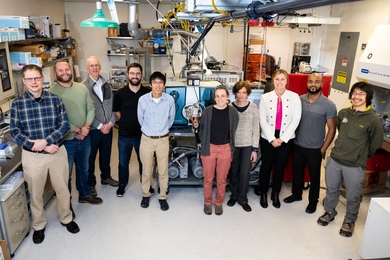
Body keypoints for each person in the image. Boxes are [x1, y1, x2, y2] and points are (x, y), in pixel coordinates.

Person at [10, 64, 79, 244]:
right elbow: (15, 132)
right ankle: (39, 225)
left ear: (43, 79)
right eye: (30, 79)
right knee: (35, 193)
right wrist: (39, 146)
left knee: (62, 189)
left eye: (37, 78)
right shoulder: (18, 104)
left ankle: (66, 218)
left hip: (56, 152)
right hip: (33, 157)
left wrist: (47, 142)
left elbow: (64, 125)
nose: (34, 82)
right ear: (24, 81)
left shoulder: (55, 100)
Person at [317, 81, 383, 237]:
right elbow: (340, 131)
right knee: (331, 189)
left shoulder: (373, 120)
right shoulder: (344, 113)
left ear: (368, 97)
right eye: (354, 93)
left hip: (354, 165)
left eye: (361, 94)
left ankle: (349, 221)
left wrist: (360, 155)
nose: (356, 96)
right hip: (335, 159)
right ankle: (329, 212)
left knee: (353, 195)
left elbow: (376, 143)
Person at [49, 60, 103, 210]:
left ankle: (85, 194)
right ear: (55, 74)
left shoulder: (82, 88)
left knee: (83, 168)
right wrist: (77, 130)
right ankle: (66, 205)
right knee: (66, 174)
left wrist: (86, 127)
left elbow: (91, 108)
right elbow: (56, 119)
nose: (65, 72)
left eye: (67, 69)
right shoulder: (51, 93)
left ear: (71, 70)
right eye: (61, 70)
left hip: (85, 138)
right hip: (65, 141)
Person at [283, 73, 337, 214]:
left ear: (322, 84)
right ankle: (296, 194)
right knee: (297, 173)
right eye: (311, 81)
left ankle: (313, 201)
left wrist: (323, 149)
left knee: (314, 177)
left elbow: (332, 129)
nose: (313, 84)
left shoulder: (329, 105)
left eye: (317, 82)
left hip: (315, 148)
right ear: (307, 83)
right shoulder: (299, 100)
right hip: (297, 145)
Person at [255, 69, 301, 209]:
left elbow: (296, 119)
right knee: (266, 166)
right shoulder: (265, 97)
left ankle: (275, 193)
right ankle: (263, 193)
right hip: (268, 137)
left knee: (280, 167)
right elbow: (262, 119)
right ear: (273, 81)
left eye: (282, 79)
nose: (279, 82)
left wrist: (282, 139)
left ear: (287, 81)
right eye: (277, 79)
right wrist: (271, 139)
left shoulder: (294, 97)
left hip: (286, 138)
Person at [137, 71, 175, 211]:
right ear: (150, 84)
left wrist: (161, 131)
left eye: (160, 82)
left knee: (163, 171)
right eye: (155, 82)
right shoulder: (143, 100)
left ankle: (163, 196)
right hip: (147, 139)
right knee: (146, 170)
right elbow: (140, 119)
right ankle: (145, 194)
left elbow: (171, 119)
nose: (157, 85)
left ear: (164, 85)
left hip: (163, 140)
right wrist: (150, 131)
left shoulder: (169, 100)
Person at [82, 56, 118, 197]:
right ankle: (91, 184)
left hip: (108, 128)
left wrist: (110, 123)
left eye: (96, 65)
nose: (95, 68)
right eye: (91, 65)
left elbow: (111, 105)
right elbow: (84, 110)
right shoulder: (83, 87)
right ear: (87, 68)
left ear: (100, 67)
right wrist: (99, 125)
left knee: (106, 154)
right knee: (90, 158)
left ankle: (106, 177)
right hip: (93, 129)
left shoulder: (106, 84)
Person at [200, 85, 239, 215]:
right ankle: (207, 202)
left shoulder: (233, 112)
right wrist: (204, 144)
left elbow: (233, 129)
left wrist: (229, 148)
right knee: (208, 179)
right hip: (209, 148)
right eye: (217, 96)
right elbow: (202, 129)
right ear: (214, 98)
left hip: (225, 149)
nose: (220, 99)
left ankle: (218, 202)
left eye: (223, 96)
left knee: (222, 180)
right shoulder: (207, 111)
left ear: (228, 97)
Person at [113, 63, 151, 197]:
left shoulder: (147, 93)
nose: (135, 76)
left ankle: (145, 184)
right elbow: (117, 112)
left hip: (143, 136)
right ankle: (122, 185)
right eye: (132, 73)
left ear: (141, 75)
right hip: (125, 135)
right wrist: (127, 121)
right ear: (128, 75)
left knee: (144, 162)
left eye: (138, 73)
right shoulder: (119, 94)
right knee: (123, 163)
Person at [227, 81, 259, 212]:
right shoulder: (229, 107)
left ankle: (242, 198)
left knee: (245, 173)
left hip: (248, 146)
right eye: (238, 92)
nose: (241, 95)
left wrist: (255, 149)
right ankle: (234, 196)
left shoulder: (253, 108)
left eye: (244, 92)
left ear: (248, 93)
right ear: (235, 93)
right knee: (233, 172)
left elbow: (256, 129)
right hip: (233, 145)